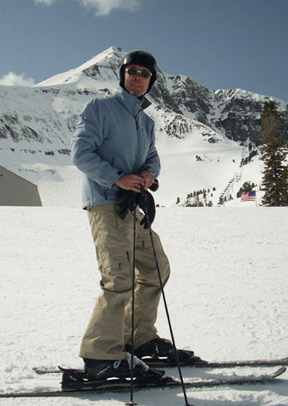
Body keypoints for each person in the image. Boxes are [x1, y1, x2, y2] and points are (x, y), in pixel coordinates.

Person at [71, 50, 200, 381]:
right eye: (132, 71)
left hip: (133, 207)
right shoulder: (100, 109)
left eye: (145, 73)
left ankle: (138, 339)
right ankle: (101, 357)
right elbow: (81, 154)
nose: (138, 77)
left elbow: (153, 157)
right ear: (123, 75)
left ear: (151, 80)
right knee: (119, 279)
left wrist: (147, 174)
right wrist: (116, 177)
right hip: (105, 203)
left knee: (156, 267)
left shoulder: (146, 122)